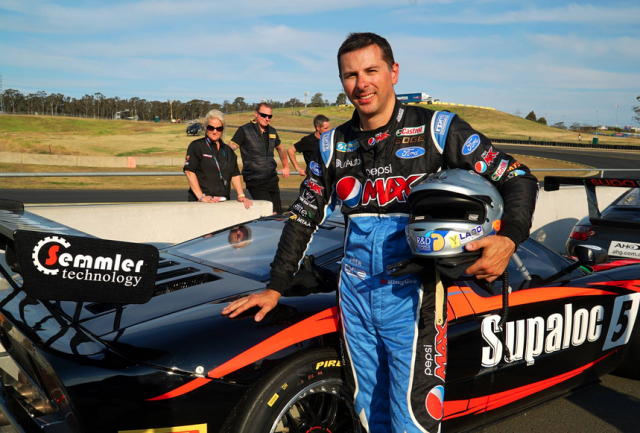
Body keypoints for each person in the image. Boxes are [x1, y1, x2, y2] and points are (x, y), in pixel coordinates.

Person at [222, 33, 538, 433]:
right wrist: (276, 285)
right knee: (368, 412)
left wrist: (509, 238)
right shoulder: (332, 143)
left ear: (393, 72)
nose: (361, 83)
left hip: (415, 295)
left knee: (413, 418)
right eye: (350, 75)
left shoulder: (438, 129)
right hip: (353, 293)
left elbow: (518, 178)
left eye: (371, 71)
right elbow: (303, 217)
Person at [183, 109, 252, 209]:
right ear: (206, 128)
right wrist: (201, 197)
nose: (215, 131)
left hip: (222, 203)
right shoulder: (197, 146)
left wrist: (241, 195)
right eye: (211, 128)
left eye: (219, 128)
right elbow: (189, 171)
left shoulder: (228, 151)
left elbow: (235, 174)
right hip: (201, 203)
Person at [228, 103, 290, 213]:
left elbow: (280, 148)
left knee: (278, 214)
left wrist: (286, 166)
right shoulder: (244, 130)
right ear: (256, 114)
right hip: (255, 180)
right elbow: (229, 150)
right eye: (263, 115)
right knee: (270, 212)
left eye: (269, 116)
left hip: (272, 179)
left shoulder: (272, 131)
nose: (267, 119)